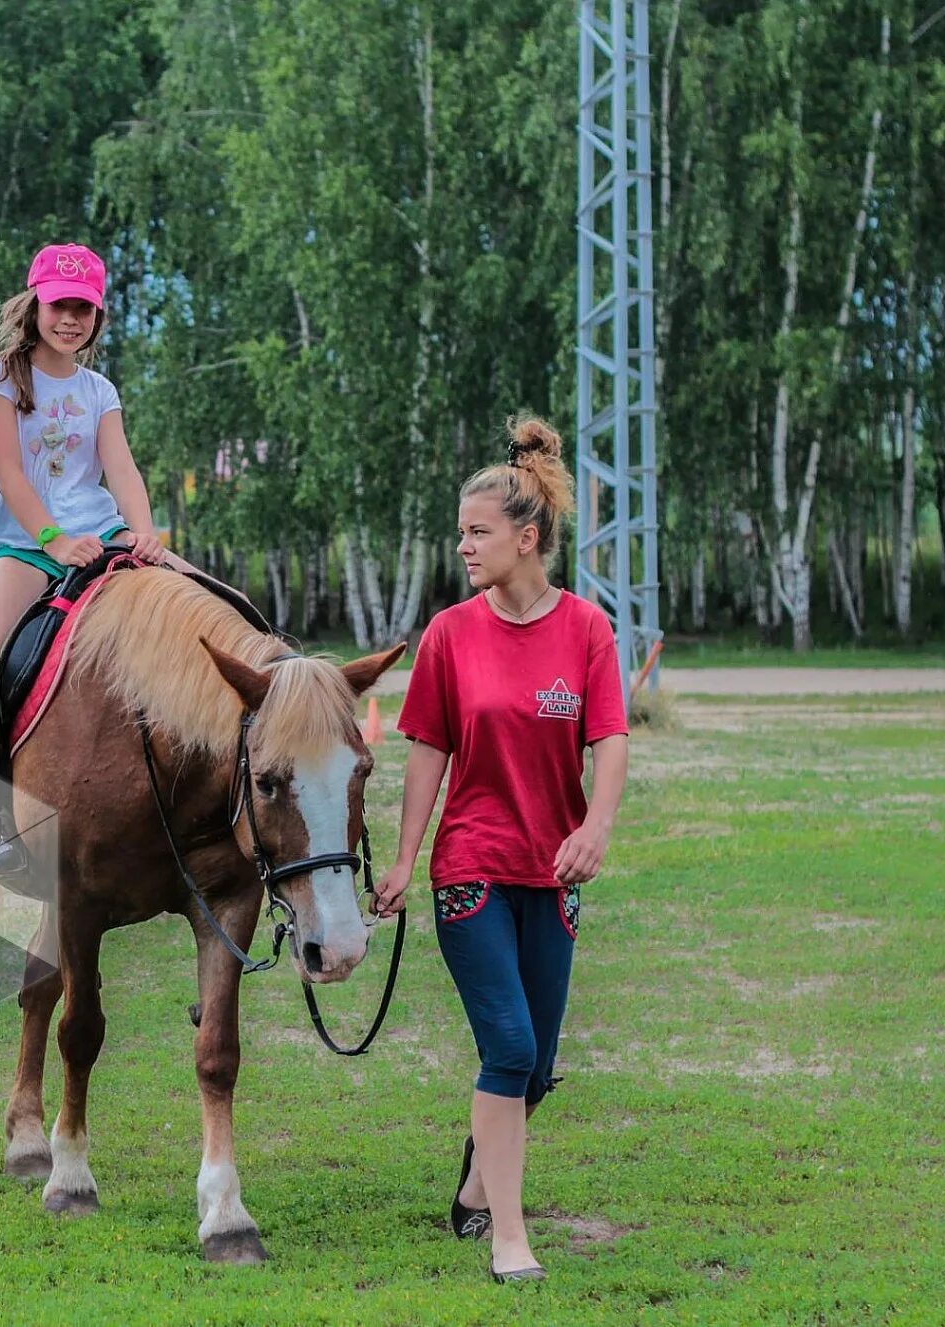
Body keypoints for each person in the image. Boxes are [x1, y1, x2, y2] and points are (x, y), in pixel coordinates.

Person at [374, 415, 631, 1283]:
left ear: (528, 538)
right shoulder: (450, 633)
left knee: (538, 1066)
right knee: (511, 1047)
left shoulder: (589, 632)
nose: (464, 545)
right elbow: (427, 753)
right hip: (471, 868)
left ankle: (479, 1179)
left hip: (551, 872)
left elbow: (611, 738)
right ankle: (508, 1235)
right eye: (461, 532)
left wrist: (595, 826)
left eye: (478, 532)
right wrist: (406, 858)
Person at [0, 242, 170, 878]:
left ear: (98, 316)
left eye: (84, 308)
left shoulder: (98, 389)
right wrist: (51, 539)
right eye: (60, 306)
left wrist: (145, 532)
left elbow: (120, 466)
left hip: (100, 532)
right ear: (35, 305)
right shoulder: (1, 377)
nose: (71, 319)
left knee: (203, 599)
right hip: (23, 543)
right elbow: (9, 471)